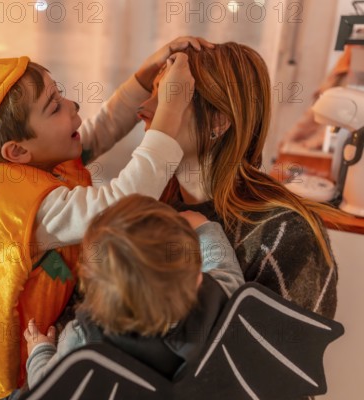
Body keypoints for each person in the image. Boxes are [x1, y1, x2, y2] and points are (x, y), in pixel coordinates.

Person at [0, 37, 213, 399]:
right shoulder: (31, 207)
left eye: (59, 94)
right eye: (54, 107)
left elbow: (101, 129)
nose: (72, 104)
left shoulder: (39, 158)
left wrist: (142, 77)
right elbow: (123, 201)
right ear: (17, 151)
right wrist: (169, 113)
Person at [136, 42, 339, 319]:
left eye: (167, 97)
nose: (143, 109)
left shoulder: (287, 234)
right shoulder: (152, 209)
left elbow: (284, 356)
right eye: (152, 93)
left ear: (218, 122)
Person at [24, 194, 245, 388]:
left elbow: (49, 386)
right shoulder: (219, 298)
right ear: (197, 278)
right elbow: (224, 268)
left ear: (90, 290)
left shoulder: (83, 339)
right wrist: (203, 228)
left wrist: (40, 350)